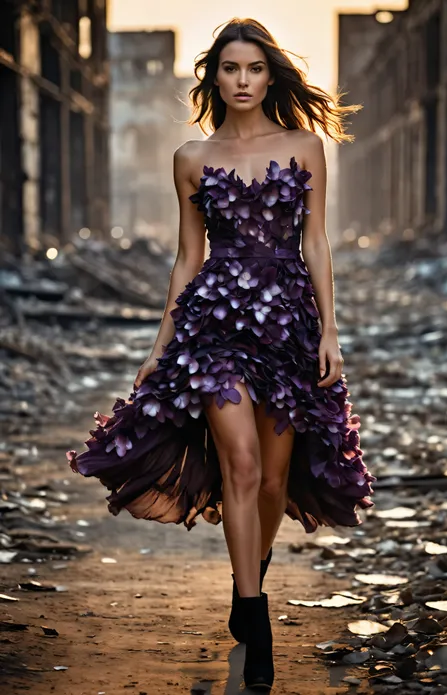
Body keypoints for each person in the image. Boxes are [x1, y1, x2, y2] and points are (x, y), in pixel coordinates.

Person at [67, 17, 375, 691]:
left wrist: (330, 330)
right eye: (230, 69)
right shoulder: (190, 158)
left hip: (290, 323)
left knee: (271, 478)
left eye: (254, 69)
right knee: (238, 463)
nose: (242, 81)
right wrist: (160, 346)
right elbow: (187, 259)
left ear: (270, 76)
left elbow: (316, 243)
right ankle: (254, 614)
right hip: (215, 326)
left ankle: (251, 569)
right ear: (213, 77)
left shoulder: (306, 145)